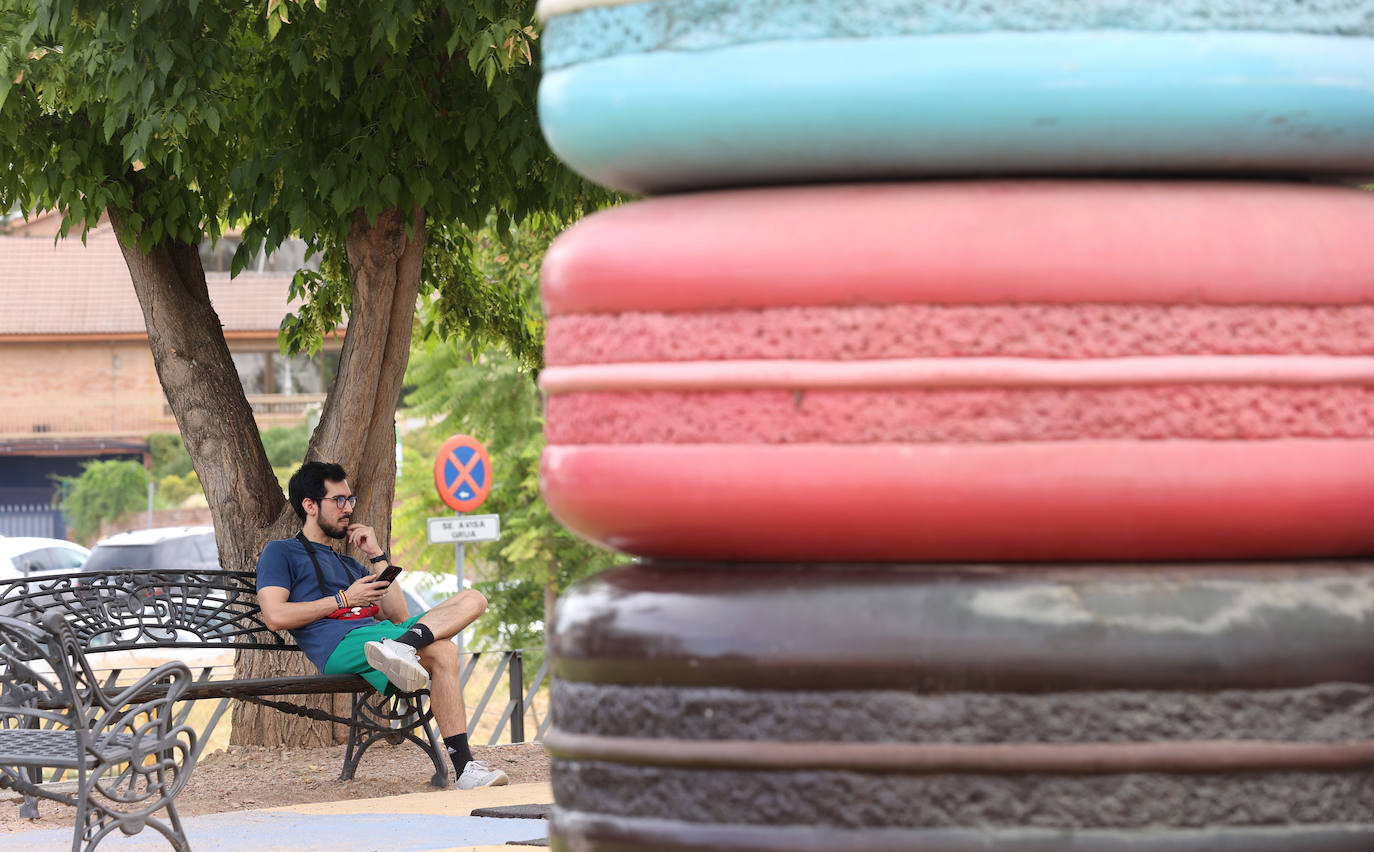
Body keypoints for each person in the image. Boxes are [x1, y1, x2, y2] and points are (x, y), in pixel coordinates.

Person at [256, 460, 508, 789]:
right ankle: (463, 765)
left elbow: (399, 615)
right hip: (338, 647)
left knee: (472, 600)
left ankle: (464, 769)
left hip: (382, 643)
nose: (348, 508)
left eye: (350, 500)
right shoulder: (281, 553)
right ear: (310, 506)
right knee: (442, 646)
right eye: (339, 500)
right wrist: (344, 600)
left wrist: (376, 554)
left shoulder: (348, 563)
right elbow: (275, 616)